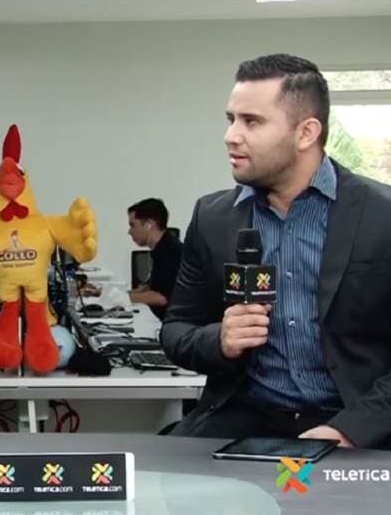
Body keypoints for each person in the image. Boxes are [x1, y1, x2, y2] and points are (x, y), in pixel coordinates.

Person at [161, 53, 391, 449]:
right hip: (243, 420)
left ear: (306, 133)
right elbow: (177, 329)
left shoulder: (382, 214)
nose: (231, 136)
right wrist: (220, 339)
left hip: (356, 423)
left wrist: (351, 430)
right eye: (231, 119)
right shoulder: (212, 217)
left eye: (251, 122)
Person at [127, 198, 183, 320]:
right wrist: (107, 295)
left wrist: (124, 298)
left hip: (170, 321)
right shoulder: (162, 247)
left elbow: (161, 297)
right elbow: (149, 287)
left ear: (149, 224)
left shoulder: (170, 251)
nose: (129, 232)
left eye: (132, 225)